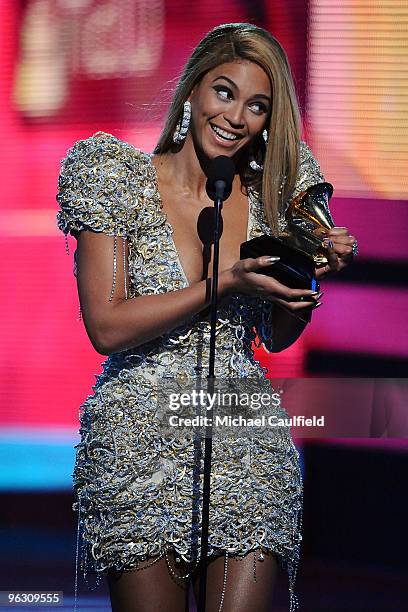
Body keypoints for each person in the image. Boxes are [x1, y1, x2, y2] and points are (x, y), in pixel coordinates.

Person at [56, 22, 356, 612]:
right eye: (224, 92)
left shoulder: (275, 197)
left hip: (245, 436)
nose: (235, 117)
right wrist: (223, 284)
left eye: (256, 106)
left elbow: (275, 334)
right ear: (192, 91)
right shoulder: (117, 179)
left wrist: (309, 276)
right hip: (139, 440)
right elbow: (108, 325)